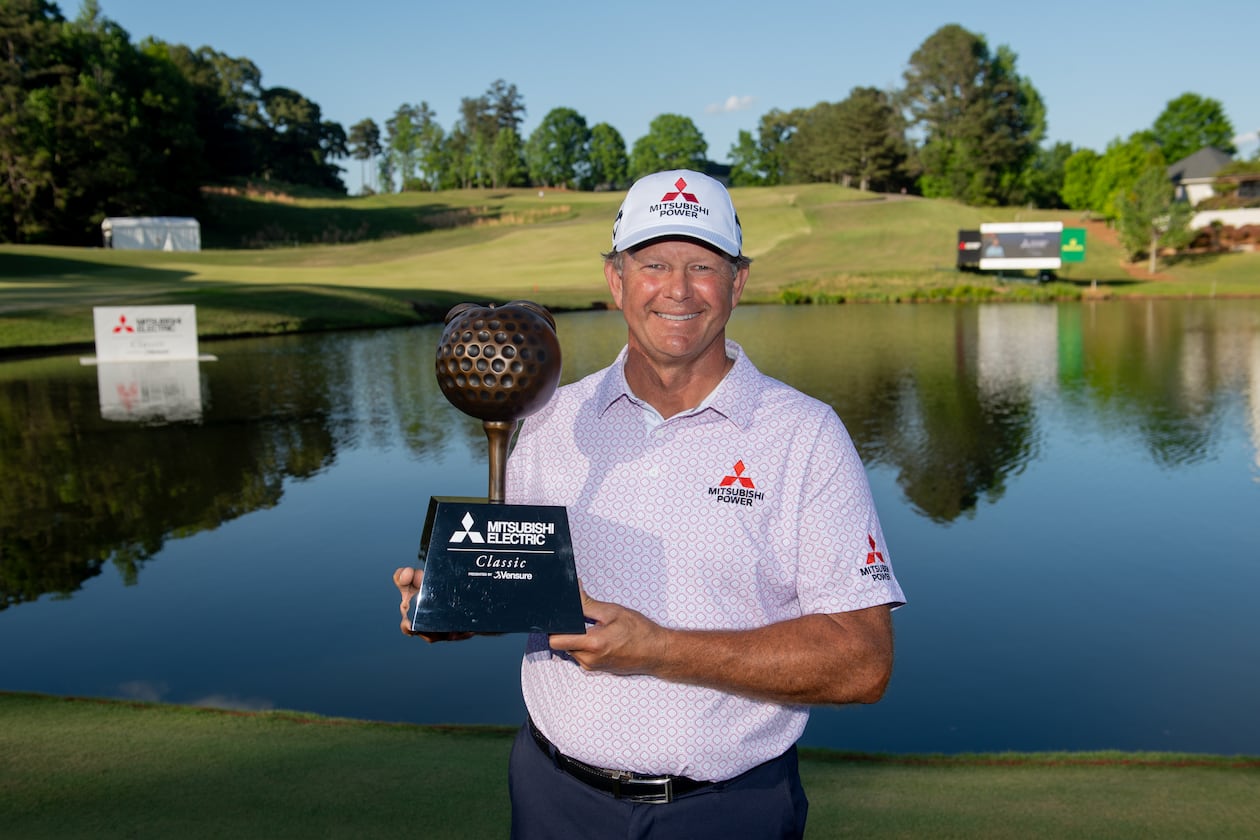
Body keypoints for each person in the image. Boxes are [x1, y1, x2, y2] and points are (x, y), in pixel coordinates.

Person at [395, 169, 904, 839]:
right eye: (654, 263)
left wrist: (660, 649)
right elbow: (515, 579)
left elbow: (863, 664)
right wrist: (450, 604)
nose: (678, 289)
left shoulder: (805, 434)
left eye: (703, 265)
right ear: (616, 281)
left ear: (737, 283)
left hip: (730, 810)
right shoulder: (550, 416)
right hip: (555, 799)